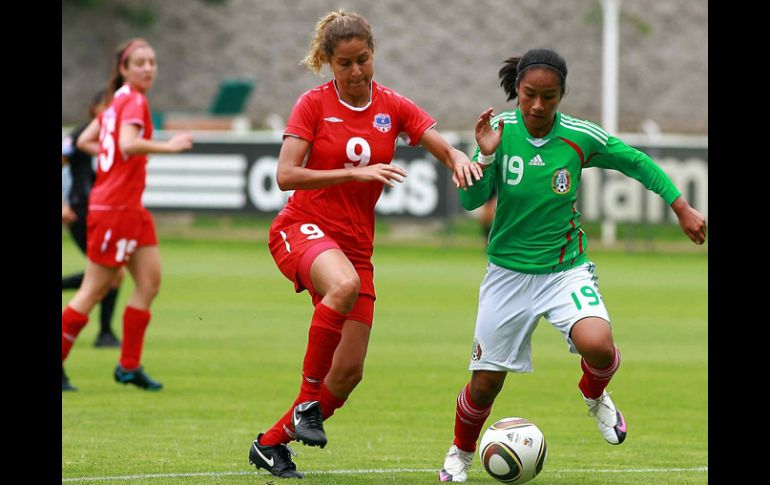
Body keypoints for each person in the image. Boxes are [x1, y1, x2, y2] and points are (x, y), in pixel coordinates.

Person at [438, 48, 707, 483]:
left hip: (565, 271)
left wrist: (681, 206)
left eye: (550, 96)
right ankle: (460, 453)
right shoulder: (498, 133)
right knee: (486, 384)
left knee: (599, 345)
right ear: (517, 92)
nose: (539, 106)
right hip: (507, 274)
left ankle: (594, 394)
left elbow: (634, 161)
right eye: (530, 95)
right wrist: (485, 156)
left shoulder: (579, 137)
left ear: (562, 94)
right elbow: (471, 201)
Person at [247, 10, 482, 479]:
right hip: (301, 227)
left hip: (355, 246)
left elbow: (435, 140)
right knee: (343, 285)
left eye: (363, 60)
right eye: (345, 64)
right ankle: (307, 402)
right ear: (328, 63)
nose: (356, 72)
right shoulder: (313, 105)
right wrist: (354, 173)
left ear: (374, 55)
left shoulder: (391, 105)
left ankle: (271, 444)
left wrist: (458, 155)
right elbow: (286, 174)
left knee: (350, 372)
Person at [61, 38, 193, 392]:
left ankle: (129, 366)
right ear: (123, 69)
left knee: (148, 283)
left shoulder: (116, 101)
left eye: (152, 61)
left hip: (130, 208)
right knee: (92, 291)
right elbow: (127, 144)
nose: (148, 68)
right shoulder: (132, 99)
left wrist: (115, 152)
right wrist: (167, 146)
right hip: (114, 209)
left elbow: (87, 140)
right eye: (139, 63)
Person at [62, 90, 123, 348]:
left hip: (101, 213)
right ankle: (105, 333)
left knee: (111, 273)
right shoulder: (79, 135)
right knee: (108, 272)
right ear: (94, 108)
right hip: (80, 212)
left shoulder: (113, 138)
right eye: (106, 106)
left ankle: (105, 332)